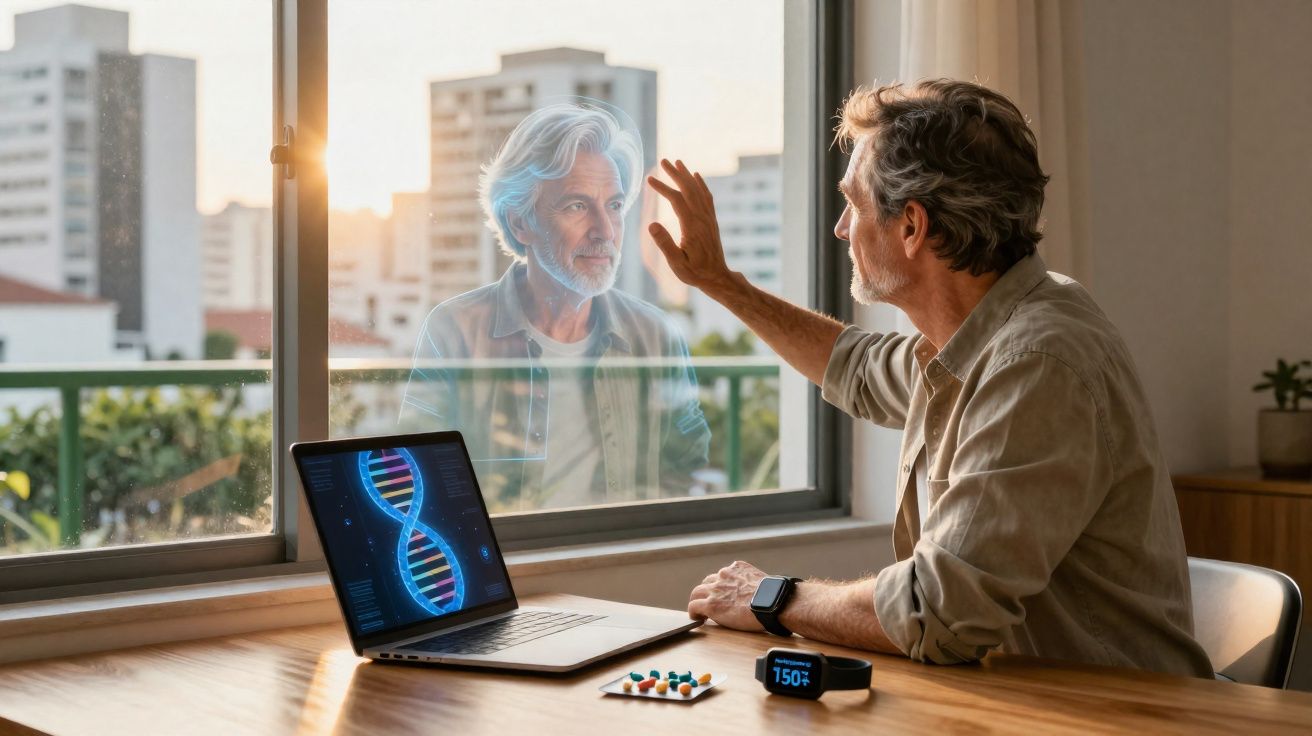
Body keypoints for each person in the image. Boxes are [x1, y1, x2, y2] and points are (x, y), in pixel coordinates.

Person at [646, 79, 1212, 677]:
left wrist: (771, 598)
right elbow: (857, 367)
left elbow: (937, 613)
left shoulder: (1038, 361)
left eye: (854, 205)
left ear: (912, 226)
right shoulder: (980, 338)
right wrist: (721, 283)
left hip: (1113, 716)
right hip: (1013, 706)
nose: (841, 229)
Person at [401, 102, 710, 512]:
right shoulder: (454, 329)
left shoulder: (655, 334)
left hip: (621, 560)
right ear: (519, 223)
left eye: (614, 206)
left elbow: (688, 471)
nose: (604, 231)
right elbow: (414, 481)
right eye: (577, 206)